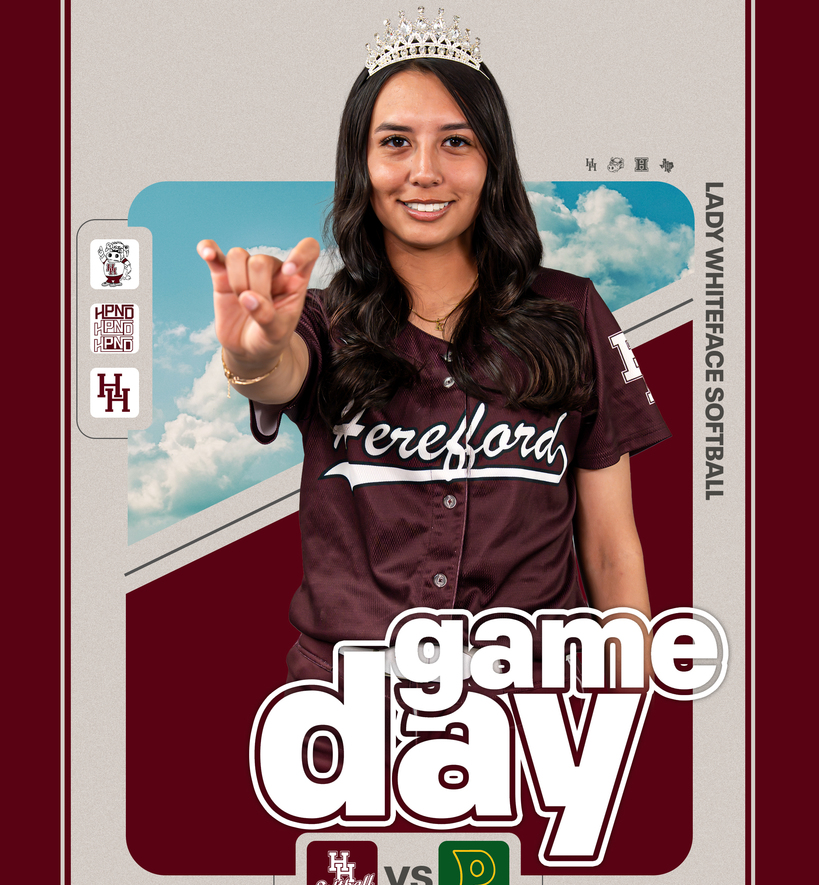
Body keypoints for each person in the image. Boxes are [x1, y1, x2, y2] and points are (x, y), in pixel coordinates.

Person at [197, 10, 670, 684]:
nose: (424, 171)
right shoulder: (320, 318)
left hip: (533, 700)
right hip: (347, 700)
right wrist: (251, 354)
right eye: (394, 142)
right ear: (359, 164)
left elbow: (609, 544)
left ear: (491, 162)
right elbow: (276, 374)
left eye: (455, 142)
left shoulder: (574, 309)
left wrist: (626, 695)